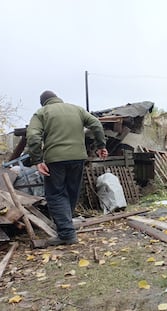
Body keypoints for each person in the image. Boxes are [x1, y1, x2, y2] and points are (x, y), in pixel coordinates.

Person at [26, 90, 108, 246]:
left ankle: (66, 234)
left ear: (43, 102)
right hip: (78, 157)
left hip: (55, 159)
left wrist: (37, 160)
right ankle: (65, 226)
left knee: (56, 194)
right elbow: (96, 124)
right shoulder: (76, 109)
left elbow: (33, 136)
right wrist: (100, 146)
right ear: (57, 98)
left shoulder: (42, 112)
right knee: (71, 192)